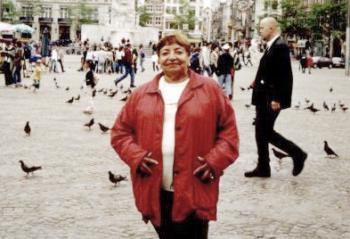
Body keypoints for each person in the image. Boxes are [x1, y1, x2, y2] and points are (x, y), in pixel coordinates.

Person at [111, 32, 239, 239]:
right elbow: (120, 133)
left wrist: (215, 161)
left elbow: (229, 133)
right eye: (165, 53)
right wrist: (136, 156)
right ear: (158, 59)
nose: (172, 57)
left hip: (195, 186)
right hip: (154, 187)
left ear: (189, 56)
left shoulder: (210, 90)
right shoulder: (141, 94)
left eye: (179, 51)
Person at [244, 17, 307, 178]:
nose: (260, 30)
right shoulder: (273, 45)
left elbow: (284, 75)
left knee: (265, 132)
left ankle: (297, 153)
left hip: (270, 98)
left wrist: (277, 99)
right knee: (261, 132)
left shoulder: (280, 46)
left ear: (271, 28)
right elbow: (269, 70)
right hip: (264, 95)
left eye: (262, 27)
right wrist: (256, 81)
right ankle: (263, 167)